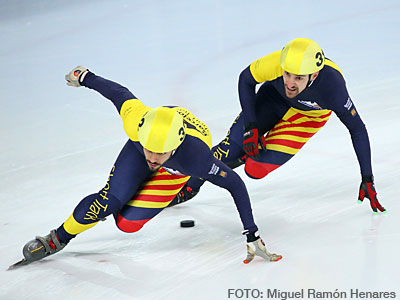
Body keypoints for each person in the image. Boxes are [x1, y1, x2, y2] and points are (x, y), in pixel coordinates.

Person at [16, 66, 282, 267]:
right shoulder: (137, 122)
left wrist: (252, 233)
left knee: (127, 223)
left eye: (160, 153)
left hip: (183, 164)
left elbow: (234, 184)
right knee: (109, 202)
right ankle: (58, 238)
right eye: (149, 150)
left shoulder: (195, 156)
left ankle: (188, 186)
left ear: (174, 147)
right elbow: (119, 94)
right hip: (150, 139)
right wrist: (84, 76)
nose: (153, 158)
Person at [172, 38, 386, 214]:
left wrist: (367, 178)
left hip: (306, 119)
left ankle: (243, 155)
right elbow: (245, 79)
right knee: (231, 148)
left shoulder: (333, 88)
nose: (290, 83)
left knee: (254, 169)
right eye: (287, 74)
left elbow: (357, 129)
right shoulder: (276, 63)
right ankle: (190, 186)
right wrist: (251, 126)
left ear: (315, 75)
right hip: (272, 99)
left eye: (299, 78)